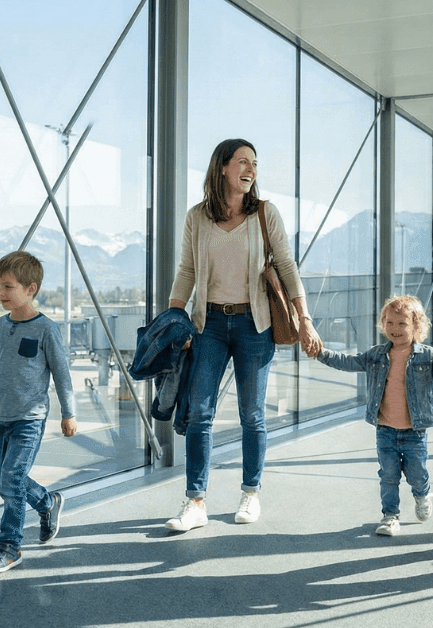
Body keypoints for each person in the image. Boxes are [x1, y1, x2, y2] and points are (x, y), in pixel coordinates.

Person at [164, 138, 322, 532]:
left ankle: (250, 493)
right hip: (209, 326)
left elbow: (286, 266)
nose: (250, 169)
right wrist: (173, 316)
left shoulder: (265, 214)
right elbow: (187, 271)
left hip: (256, 324)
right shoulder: (197, 217)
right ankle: (195, 502)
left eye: (254, 162)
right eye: (242, 161)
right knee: (199, 412)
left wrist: (305, 318)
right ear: (222, 167)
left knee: (252, 415)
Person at [0, 251, 77, 574]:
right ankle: (47, 503)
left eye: (8, 287)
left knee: (12, 478)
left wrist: (69, 413)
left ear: (31, 289)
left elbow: (62, 375)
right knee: (8, 480)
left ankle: (9, 545)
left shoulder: (45, 330)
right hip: (1, 420)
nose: (0, 294)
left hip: (30, 420)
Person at [315, 295, 433, 536]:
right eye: (389, 323)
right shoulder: (376, 355)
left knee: (417, 475)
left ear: (416, 327)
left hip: (414, 433)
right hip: (385, 430)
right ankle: (390, 516)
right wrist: (321, 353)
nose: (394, 329)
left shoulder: (426, 356)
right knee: (388, 476)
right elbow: (348, 361)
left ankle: (422, 494)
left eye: (402, 324)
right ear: (383, 324)